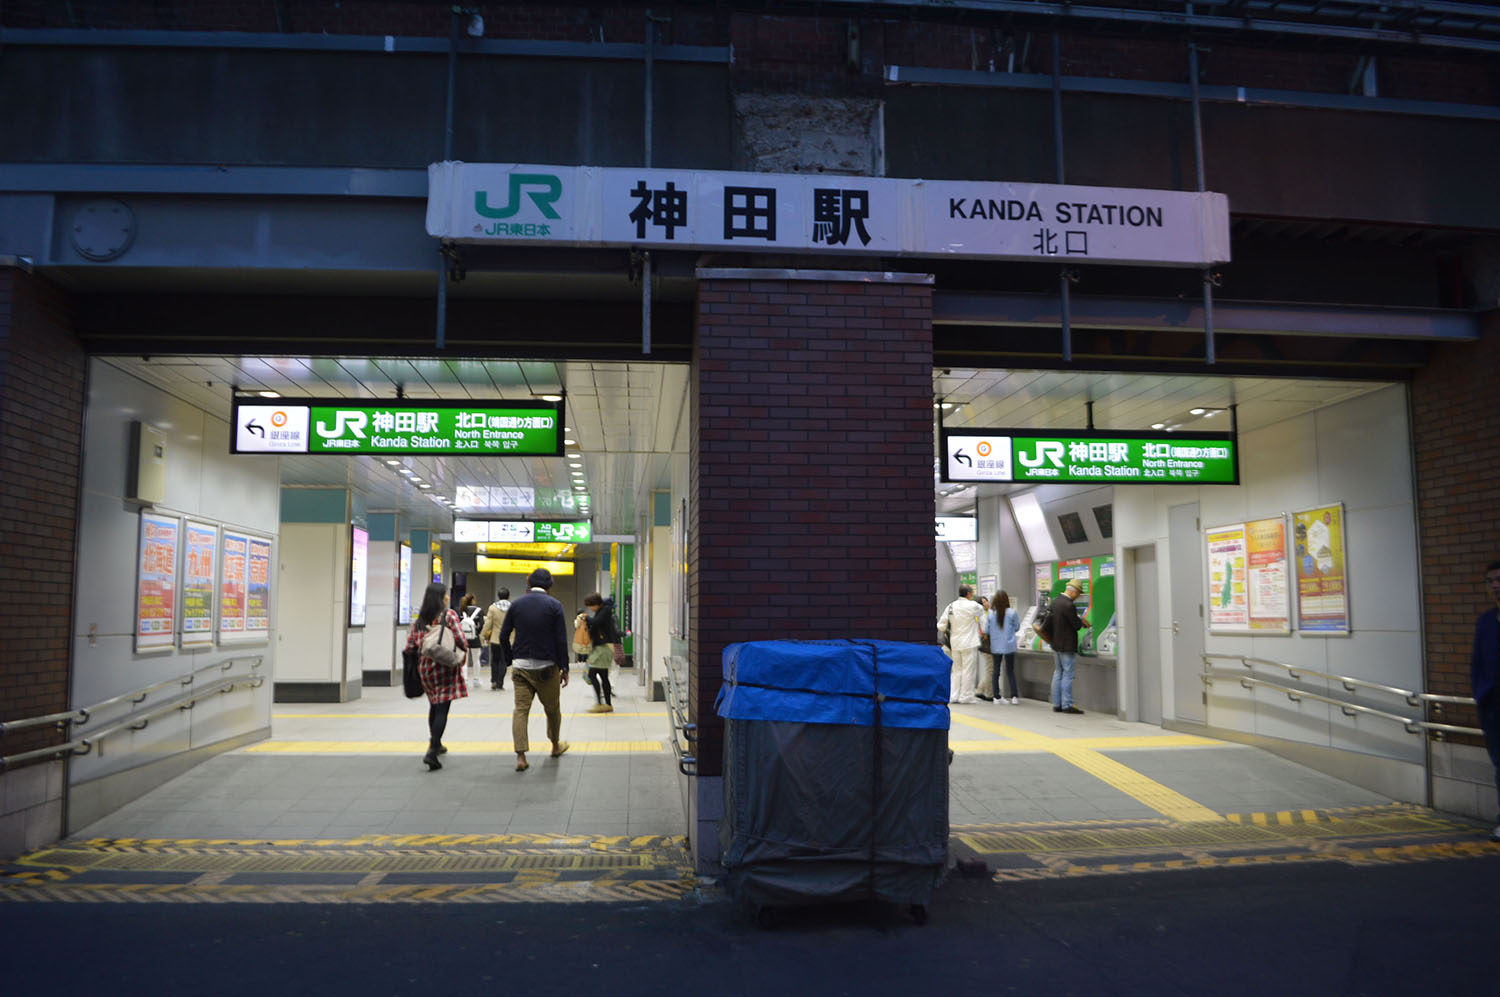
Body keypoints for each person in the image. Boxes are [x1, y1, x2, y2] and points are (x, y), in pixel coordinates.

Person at [498, 567, 571, 772]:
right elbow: (560, 639)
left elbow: (504, 635)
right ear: (549, 586)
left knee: (521, 711)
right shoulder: (555, 605)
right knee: (552, 709)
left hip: (520, 667)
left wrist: (509, 658)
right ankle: (555, 745)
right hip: (546, 667)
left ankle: (521, 757)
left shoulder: (517, 604)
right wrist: (564, 667)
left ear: (529, 584)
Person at [403, 582, 468, 771]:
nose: (448, 597)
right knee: (443, 709)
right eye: (446, 594)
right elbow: (461, 640)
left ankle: (437, 744)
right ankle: (432, 750)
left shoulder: (421, 619)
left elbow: (410, 646)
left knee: (434, 704)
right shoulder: (449, 615)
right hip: (444, 667)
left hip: (425, 668)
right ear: (441, 597)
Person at [1471, 560, 1500, 842]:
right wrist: (1481, 694)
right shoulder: (1486, 622)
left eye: (1499, 579)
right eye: (1490, 581)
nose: (1495, 586)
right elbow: (1476, 663)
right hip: (1493, 706)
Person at [1045, 580, 1089, 715]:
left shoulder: (1056, 601)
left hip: (1056, 643)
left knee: (1058, 673)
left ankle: (1057, 704)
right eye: (1078, 594)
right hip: (1067, 644)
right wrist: (1082, 621)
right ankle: (1067, 704)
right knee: (1068, 675)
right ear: (1073, 591)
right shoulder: (1069, 605)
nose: (1078, 597)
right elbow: (1076, 625)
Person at [938, 585, 986, 705]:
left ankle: (953, 695)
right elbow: (983, 617)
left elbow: (941, 625)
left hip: (955, 642)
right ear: (969, 594)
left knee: (956, 669)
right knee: (968, 670)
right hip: (969, 642)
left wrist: (946, 630)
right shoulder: (974, 606)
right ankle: (966, 696)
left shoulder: (951, 606)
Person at [583, 592, 621, 713]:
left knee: (592, 673)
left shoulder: (605, 610)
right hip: (602, 646)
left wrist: (585, 617)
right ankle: (607, 704)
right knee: (603, 676)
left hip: (603, 647)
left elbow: (596, 622)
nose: (590, 608)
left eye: (590, 605)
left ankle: (600, 703)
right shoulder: (602, 610)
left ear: (596, 603)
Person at [988, 590, 1022, 704]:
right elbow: (1017, 627)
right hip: (1009, 645)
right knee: (1010, 670)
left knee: (996, 671)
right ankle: (1014, 697)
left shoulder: (991, 614)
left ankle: (996, 697)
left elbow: (986, 630)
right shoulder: (1012, 613)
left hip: (996, 645)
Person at [480, 587, 512, 690]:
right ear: (508, 596)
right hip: (507, 640)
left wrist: (482, 635)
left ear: (498, 596)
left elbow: (488, 623)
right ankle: (500, 683)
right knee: (503, 661)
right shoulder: (512, 608)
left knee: (494, 660)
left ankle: (493, 680)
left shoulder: (493, 608)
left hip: (495, 639)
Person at [457, 593, 483, 682]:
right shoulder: (478, 610)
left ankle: (465, 678)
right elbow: (482, 624)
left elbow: (458, 624)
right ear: (472, 600)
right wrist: (477, 632)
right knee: (476, 659)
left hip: (464, 638)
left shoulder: (461, 610)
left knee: (465, 660)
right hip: (475, 637)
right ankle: (476, 679)